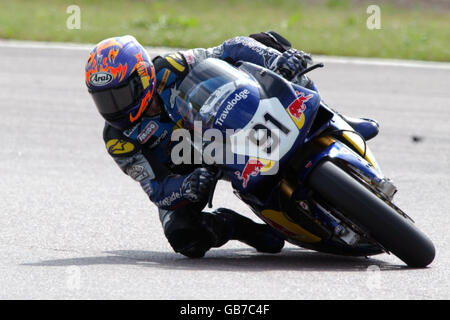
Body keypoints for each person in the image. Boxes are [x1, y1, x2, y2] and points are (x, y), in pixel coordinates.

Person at [85, 31, 379, 258]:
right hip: (190, 167)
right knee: (184, 237)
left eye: (119, 94)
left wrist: (275, 59)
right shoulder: (118, 139)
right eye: (104, 99)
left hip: (224, 123)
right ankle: (234, 225)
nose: (114, 108)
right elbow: (157, 188)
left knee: (267, 40)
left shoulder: (170, 67)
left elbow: (229, 49)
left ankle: (333, 117)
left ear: (142, 75)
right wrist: (184, 186)